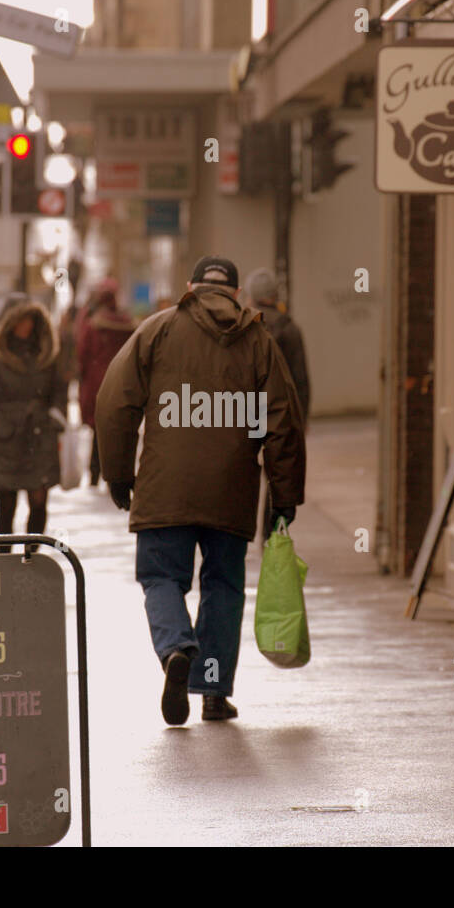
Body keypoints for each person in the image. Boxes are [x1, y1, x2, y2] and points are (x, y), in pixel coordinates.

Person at [95, 256, 306, 725]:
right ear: (235, 293)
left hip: (164, 487)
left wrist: (117, 471)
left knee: (161, 577)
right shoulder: (258, 342)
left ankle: (175, 649)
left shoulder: (158, 330)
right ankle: (211, 691)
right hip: (231, 487)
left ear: (190, 287)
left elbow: (114, 402)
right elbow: (282, 423)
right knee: (224, 587)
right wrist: (284, 496)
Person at [0, 295, 68, 552]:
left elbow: (59, 391)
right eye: (20, 320)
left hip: (40, 437)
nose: (26, 326)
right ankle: (5, 565)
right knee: (6, 507)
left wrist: (55, 416)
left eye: (30, 320)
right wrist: (2, 428)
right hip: (6, 443)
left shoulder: (47, 355)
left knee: (38, 503)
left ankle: (30, 559)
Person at [244, 267, 312, 542]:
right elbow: (300, 379)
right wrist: (301, 419)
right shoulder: (290, 329)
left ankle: (239, 531)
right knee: (277, 476)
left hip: (246, 411)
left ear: (250, 297)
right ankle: (270, 534)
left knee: (245, 470)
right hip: (280, 414)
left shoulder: (244, 327)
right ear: (274, 296)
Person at [76, 282, 135, 487]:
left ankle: (95, 471)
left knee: (96, 429)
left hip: (96, 381)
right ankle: (116, 473)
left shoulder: (92, 323)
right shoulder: (127, 323)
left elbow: (82, 353)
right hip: (121, 381)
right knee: (118, 429)